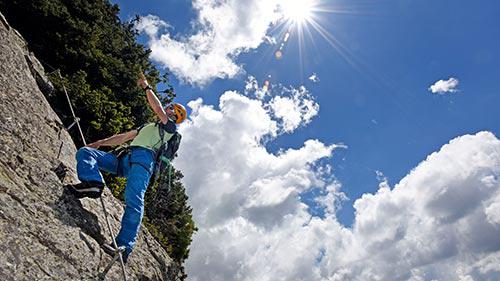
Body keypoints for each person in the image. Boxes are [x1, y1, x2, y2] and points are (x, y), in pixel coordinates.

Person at [67, 76, 187, 262]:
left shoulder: (170, 128)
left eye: (172, 107)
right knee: (85, 153)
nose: (168, 107)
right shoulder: (149, 126)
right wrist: (99, 143)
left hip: (144, 160)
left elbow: (156, 108)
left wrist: (147, 87)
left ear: (175, 115)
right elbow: (123, 137)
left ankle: (124, 247)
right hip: (124, 158)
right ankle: (93, 183)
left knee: (134, 199)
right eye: (169, 105)